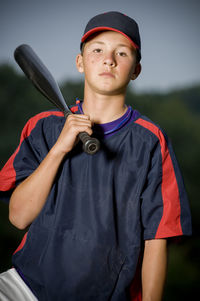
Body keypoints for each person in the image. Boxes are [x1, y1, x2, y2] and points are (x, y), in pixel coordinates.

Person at [0, 11, 192, 301]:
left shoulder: (150, 141)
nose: (108, 59)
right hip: (25, 288)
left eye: (122, 52)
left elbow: (157, 239)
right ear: (80, 62)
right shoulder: (44, 127)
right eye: (97, 49)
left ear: (136, 70)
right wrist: (60, 148)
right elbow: (18, 216)